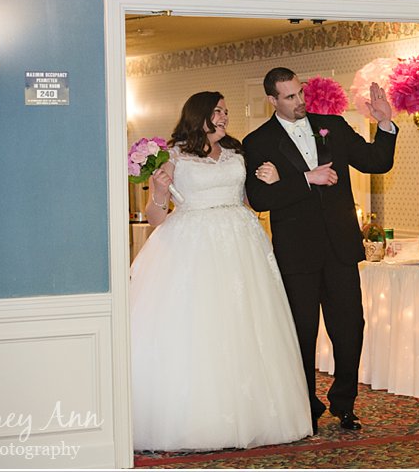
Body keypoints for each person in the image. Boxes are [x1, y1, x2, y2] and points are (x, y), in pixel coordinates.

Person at [129, 91, 312, 451]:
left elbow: (251, 200)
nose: (225, 116)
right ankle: (200, 419)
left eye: (226, 111)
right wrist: (159, 192)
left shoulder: (236, 151)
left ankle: (256, 415)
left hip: (242, 242)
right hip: (193, 243)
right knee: (202, 325)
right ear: (199, 115)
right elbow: (156, 217)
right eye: (218, 111)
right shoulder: (173, 155)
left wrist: (273, 181)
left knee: (247, 324)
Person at [243, 67, 398, 433]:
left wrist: (385, 124)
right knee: (302, 333)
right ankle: (305, 405)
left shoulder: (334, 126)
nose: (300, 101)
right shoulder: (258, 141)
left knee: (350, 329)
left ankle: (345, 403)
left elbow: (377, 162)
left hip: (341, 249)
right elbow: (260, 198)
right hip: (296, 254)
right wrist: (305, 179)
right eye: (290, 97)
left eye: (300, 92)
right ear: (272, 100)